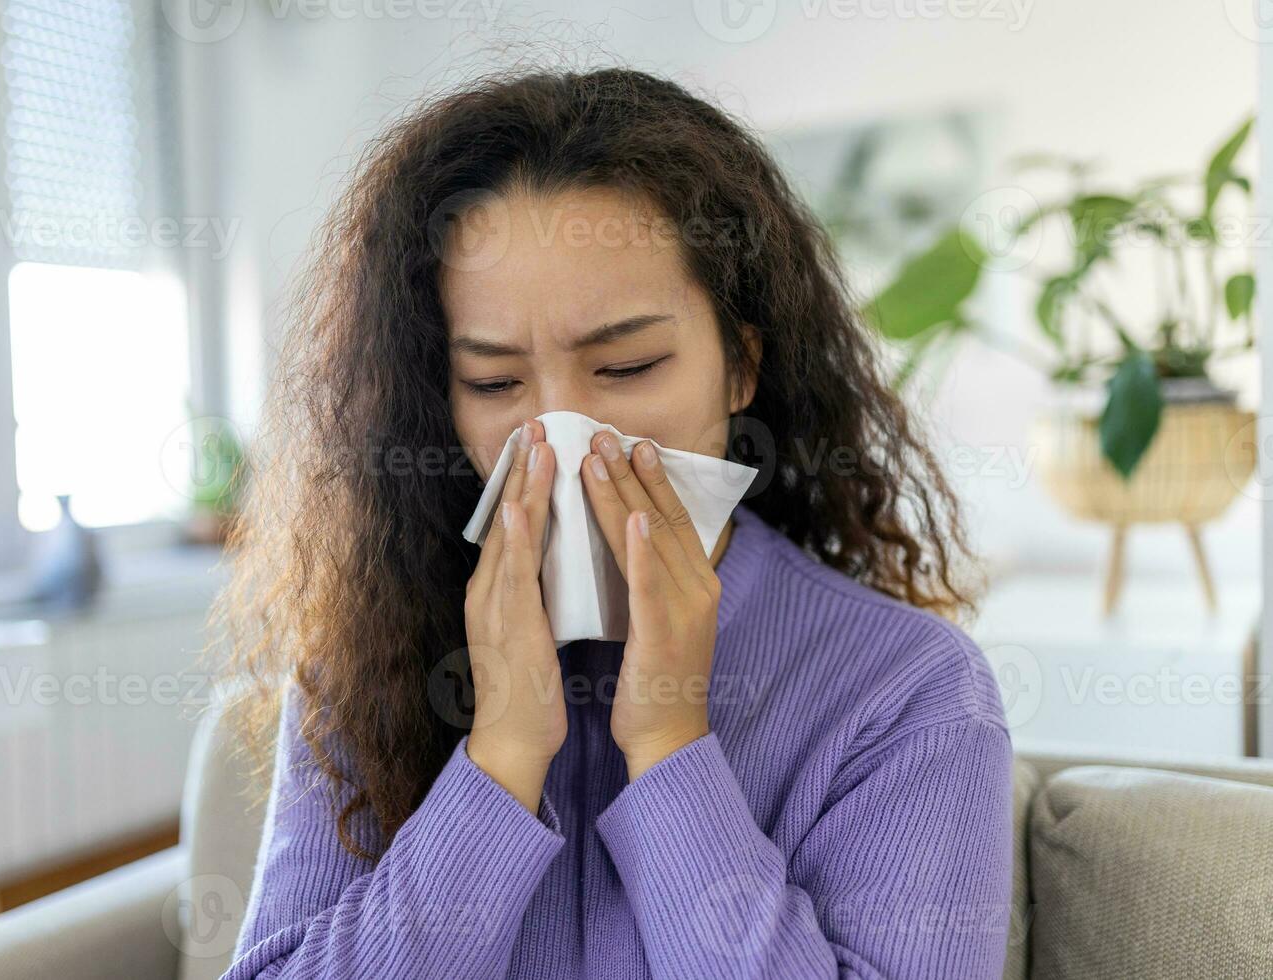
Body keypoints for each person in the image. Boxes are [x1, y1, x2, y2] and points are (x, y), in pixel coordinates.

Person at [213, 65, 1013, 980]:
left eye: (627, 366)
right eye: (495, 384)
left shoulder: (909, 693)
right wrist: (501, 757)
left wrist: (671, 746)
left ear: (740, 368)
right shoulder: (363, 664)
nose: (559, 439)